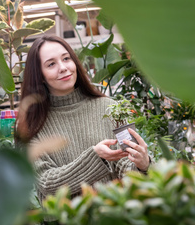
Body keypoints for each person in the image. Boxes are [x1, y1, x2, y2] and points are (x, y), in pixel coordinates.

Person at [16, 35, 151, 202]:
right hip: (67, 223)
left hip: (115, 217)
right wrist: (96, 156)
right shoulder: (30, 125)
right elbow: (46, 182)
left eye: (66, 59)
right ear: (40, 75)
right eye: (51, 64)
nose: (63, 68)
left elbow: (124, 165)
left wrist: (142, 165)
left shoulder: (109, 108)